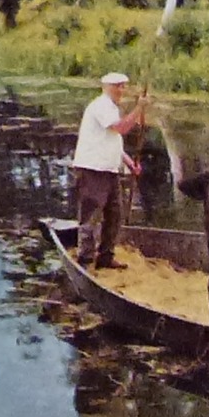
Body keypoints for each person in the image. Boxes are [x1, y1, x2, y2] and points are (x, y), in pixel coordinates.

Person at [71, 71, 150, 269]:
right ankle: (85, 259)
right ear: (106, 87)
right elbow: (121, 128)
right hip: (92, 169)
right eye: (118, 86)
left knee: (114, 214)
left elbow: (114, 141)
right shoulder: (100, 106)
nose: (121, 90)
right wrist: (138, 108)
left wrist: (130, 163)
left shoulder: (112, 108)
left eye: (123, 86)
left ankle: (106, 257)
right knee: (91, 216)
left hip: (109, 170)